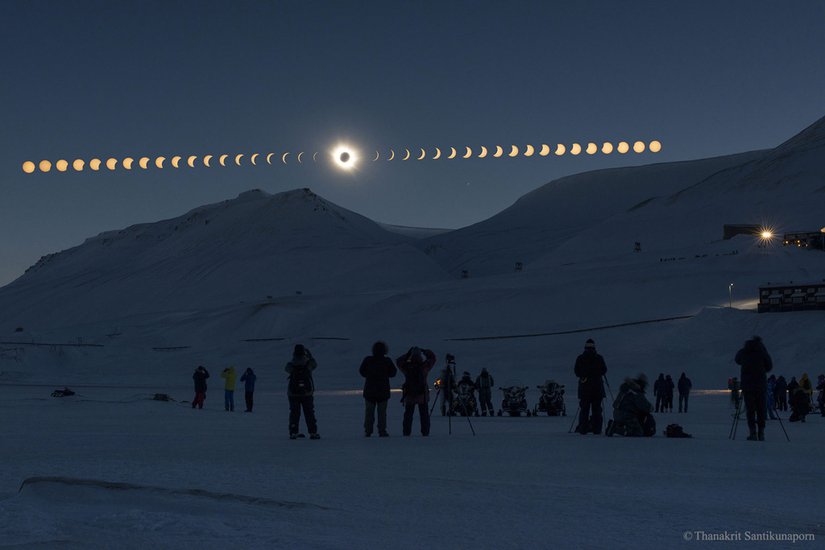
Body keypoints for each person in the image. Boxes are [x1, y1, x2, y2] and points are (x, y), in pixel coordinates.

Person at [734, 336, 773, 441]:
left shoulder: (744, 351)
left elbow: (737, 360)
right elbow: (769, 366)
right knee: (761, 409)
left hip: (747, 385)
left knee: (750, 410)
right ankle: (761, 432)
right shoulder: (762, 352)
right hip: (760, 385)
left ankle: (752, 433)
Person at [359, 341, 397, 437]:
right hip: (383, 391)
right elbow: (393, 373)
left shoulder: (368, 360)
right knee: (382, 414)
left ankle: (368, 431)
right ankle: (382, 430)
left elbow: (362, 372)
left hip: (369, 391)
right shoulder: (387, 361)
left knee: (369, 413)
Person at [397, 346, 436, 436]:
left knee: (408, 415)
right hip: (422, 395)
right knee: (424, 415)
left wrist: (407, 354)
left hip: (409, 394)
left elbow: (398, 361)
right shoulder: (424, 366)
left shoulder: (407, 367)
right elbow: (433, 358)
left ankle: (406, 432)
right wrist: (425, 351)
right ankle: (425, 432)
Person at [286, 344, 319, 439]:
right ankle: (313, 432)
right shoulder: (308, 363)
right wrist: (309, 355)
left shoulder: (292, 364)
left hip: (293, 393)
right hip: (307, 393)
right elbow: (315, 364)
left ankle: (293, 432)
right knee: (309, 412)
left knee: (294, 413)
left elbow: (286, 368)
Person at [573, 338, 607, 435]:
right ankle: (597, 429)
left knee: (584, 410)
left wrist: (584, 375)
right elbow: (604, 370)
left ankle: (583, 429)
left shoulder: (580, 358)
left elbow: (576, 371)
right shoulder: (599, 358)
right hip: (597, 389)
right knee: (597, 410)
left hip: (584, 389)